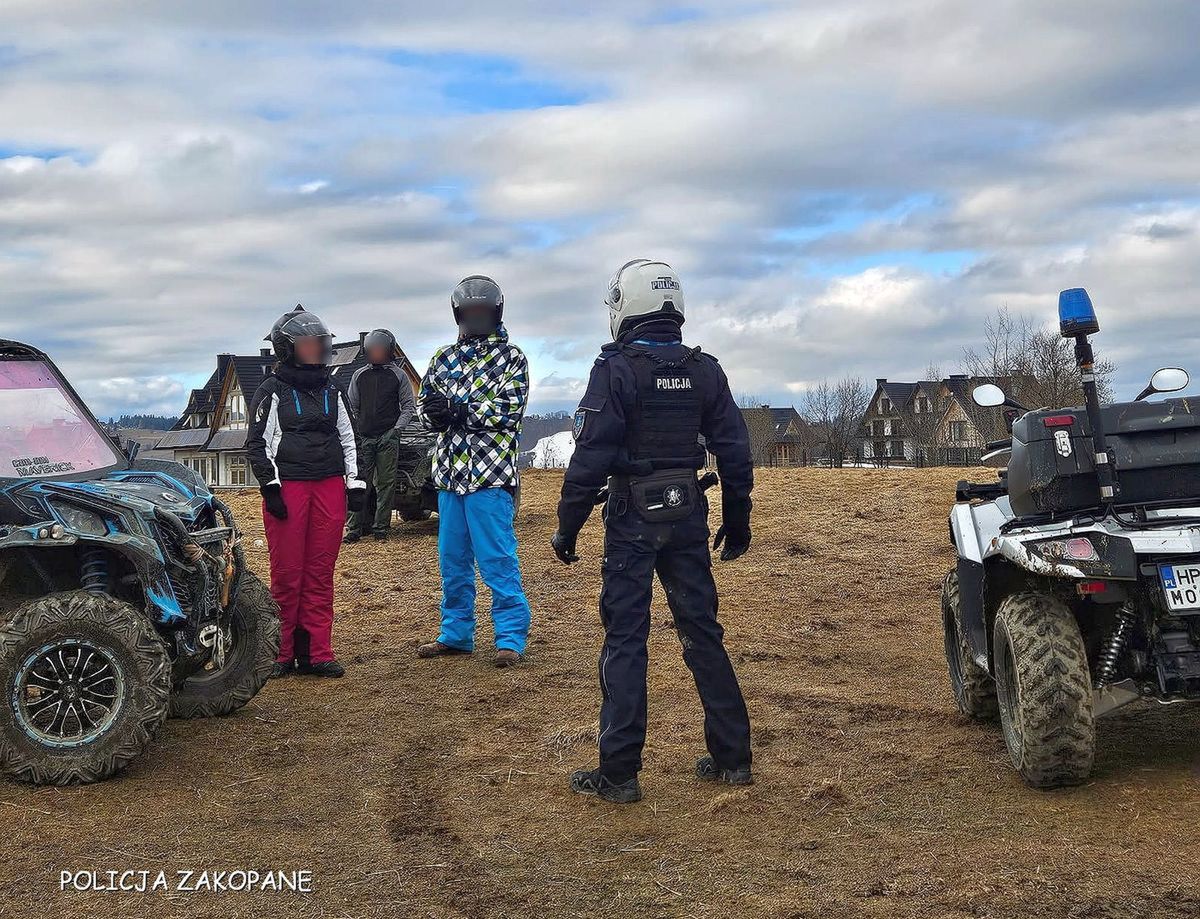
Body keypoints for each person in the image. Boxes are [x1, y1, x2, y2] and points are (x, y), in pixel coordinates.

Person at [551, 259, 754, 804]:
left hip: (633, 517)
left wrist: (567, 529)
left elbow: (589, 456)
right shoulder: (704, 369)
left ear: (624, 305)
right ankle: (733, 757)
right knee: (702, 631)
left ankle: (619, 772)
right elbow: (734, 448)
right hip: (687, 511)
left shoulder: (616, 369)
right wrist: (738, 520)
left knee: (625, 638)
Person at [416, 276, 532, 668]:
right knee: (452, 559)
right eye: (470, 312)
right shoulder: (441, 358)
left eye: (483, 312)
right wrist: (434, 413)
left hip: (490, 477)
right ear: (458, 314)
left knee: (497, 558)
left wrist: (461, 411)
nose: (476, 318)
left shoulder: (512, 358)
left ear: (496, 313)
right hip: (449, 477)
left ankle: (511, 637)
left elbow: (509, 409)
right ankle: (456, 633)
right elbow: (425, 407)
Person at [246, 305, 366, 679]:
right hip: (289, 489)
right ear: (287, 348)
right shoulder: (271, 391)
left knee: (320, 572)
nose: (316, 350)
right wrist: (270, 488)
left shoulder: (333, 389)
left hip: (329, 487)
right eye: (308, 344)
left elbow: (350, 439)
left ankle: (318, 652)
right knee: (287, 573)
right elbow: (256, 444)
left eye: (319, 344)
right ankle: (281, 654)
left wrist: (355, 483)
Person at [344, 329, 416, 542]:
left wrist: (396, 431)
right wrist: (356, 431)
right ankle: (354, 529)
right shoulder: (359, 375)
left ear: (389, 350)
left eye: (380, 349)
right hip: (364, 438)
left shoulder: (399, 375)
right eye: (372, 349)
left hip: (388, 438)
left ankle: (381, 529)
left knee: (385, 485)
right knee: (358, 484)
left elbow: (408, 406)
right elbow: (351, 406)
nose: (376, 353)